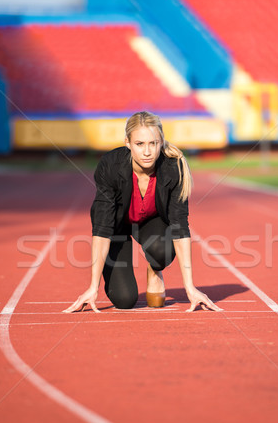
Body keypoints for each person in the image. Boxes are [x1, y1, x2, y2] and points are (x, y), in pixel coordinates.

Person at [63, 111, 221, 314]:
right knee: (124, 300)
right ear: (127, 143)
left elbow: (179, 226)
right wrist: (93, 287)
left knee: (162, 251)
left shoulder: (174, 167)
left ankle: (154, 270)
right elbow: (102, 227)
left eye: (153, 143)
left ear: (161, 142)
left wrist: (190, 287)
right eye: (139, 144)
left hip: (151, 222)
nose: (147, 152)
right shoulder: (110, 166)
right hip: (117, 228)